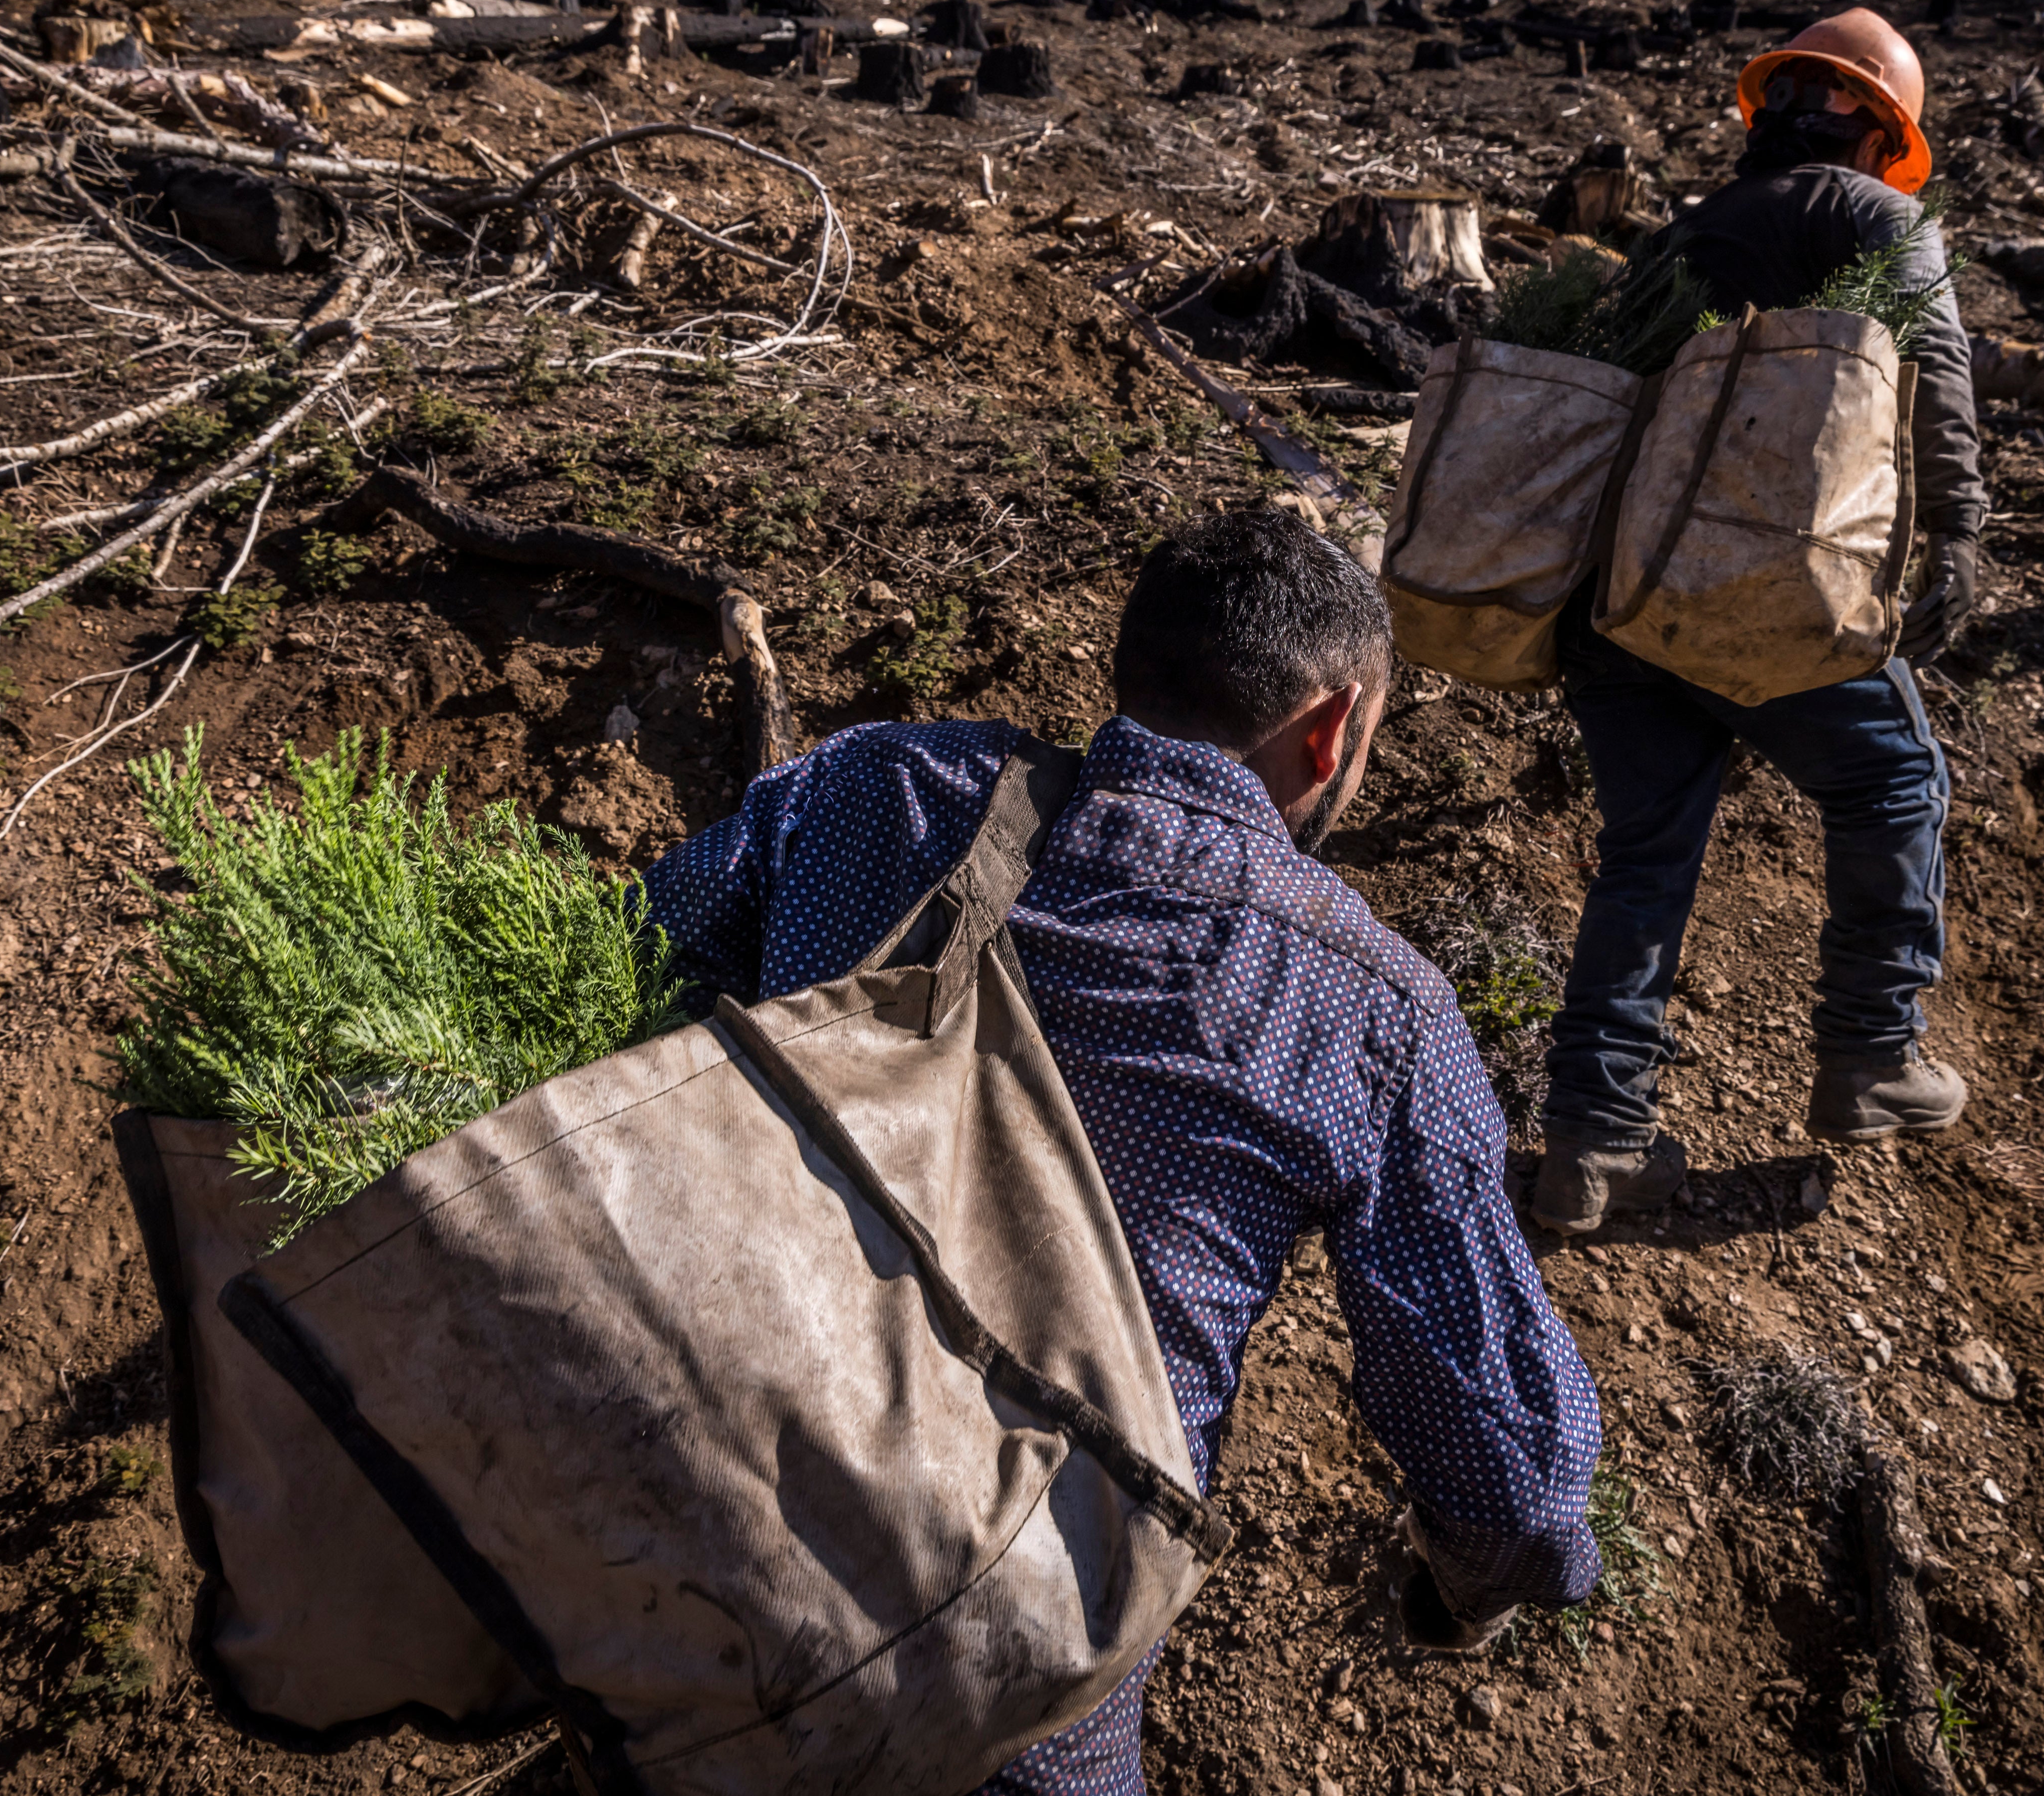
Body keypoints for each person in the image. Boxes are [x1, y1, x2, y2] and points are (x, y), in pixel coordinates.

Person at [642, 507, 1603, 1793]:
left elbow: (631, 967)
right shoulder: (1372, 1010)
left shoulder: (875, 787)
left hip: (694, 1559)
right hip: (1012, 1678)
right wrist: (1478, 1584)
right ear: (1333, 729)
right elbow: (1505, 1455)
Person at [1529, 5, 1986, 1237]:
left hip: (1618, 603)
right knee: (1896, 782)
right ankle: (1870, 1055)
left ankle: (1591, 1145)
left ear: (1776, 107)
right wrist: (1962, 530)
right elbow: (1933, 369)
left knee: (1645, 860)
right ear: (1880, 128)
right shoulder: (1883, 221)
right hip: (1764, 588)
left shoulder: (1678, 236)